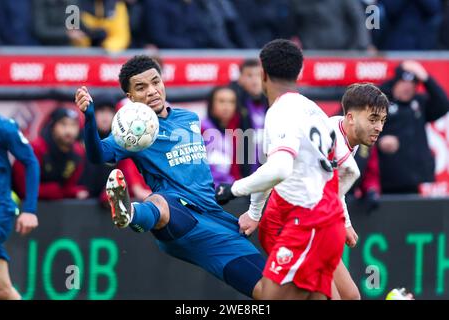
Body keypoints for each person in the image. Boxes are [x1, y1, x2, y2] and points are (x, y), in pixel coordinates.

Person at [75, 55, 266, 299]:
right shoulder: (136, 130)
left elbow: (195, 171)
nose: (152, 91)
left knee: (268, 290)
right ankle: (130, 212)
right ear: (131, 98)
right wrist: (89, 119)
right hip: (178, 217)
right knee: (160, 201)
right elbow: (97, 154)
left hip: (213, 218)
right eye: (141, 88)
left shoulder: (189, 119)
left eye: (155, 82)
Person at [216, 39, 345, 300]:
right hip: (329, 223)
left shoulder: (280, 112)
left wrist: (233, 189)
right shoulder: (314, 110)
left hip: (308, 224)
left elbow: (279, 169)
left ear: (262, 72)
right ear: (299, 72)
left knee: (269, 297)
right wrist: (254, 212)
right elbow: (345, 166)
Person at [328, 83, 388, 300]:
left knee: (351, 296)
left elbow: (334, 190)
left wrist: (345, 223)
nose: (379, 127)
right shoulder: (330, 144)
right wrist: (255, 211)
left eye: (382, 120)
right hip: (297, 228)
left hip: (317, 227)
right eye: (373, 119)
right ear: (351, 117)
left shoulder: (342, 130)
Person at [377, 61, 449, 194]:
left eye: (412, 84)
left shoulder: (419, 103)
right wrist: (380, 141)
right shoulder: (381, 103)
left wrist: (426, 78)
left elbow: (443, 104)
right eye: (403, 83)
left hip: (418, 180)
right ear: (395, 82)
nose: (407, 88)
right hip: (389, 180)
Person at [0, 116, 39, 300]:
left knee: (3, 289)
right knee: (3, 291)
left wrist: (29, 210)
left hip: (0, 209)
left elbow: (30, 161)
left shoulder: (4, 127)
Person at [13, 108, 89, 200]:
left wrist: (67, 191)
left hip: (58, 210)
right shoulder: (34, 149)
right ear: (53, 127)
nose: (69, 130)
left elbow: (70, 186)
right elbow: (24, 189)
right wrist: (60, 191)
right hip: (21, 207)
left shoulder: (78, 153)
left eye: (73, 125)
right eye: (63, 124)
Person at [201, 86, 241, 186]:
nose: (227, 107)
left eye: (231, 102)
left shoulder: (234, 132)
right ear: (211, 105)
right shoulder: (200, 129)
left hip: (228, 190)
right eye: (221, 101)